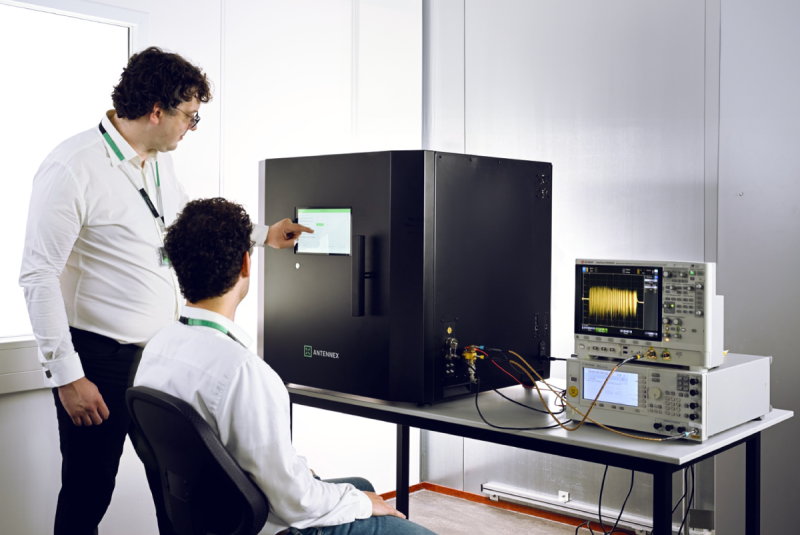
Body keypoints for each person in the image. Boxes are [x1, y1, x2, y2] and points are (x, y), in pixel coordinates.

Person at [19, 46, 310, 535]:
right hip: (99, 361)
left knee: (178, 492)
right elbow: (38, 275)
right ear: (157, 111)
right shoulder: (72, 167)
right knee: (88, 490)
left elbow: (182, 224)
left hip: (160, 357)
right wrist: (68, 376)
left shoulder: (156, 160)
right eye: (190, 116)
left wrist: (262, 235)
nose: (191, 127)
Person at [135, 198, 435, 535]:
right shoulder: (242, 371)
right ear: (246, 264)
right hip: (265, 524)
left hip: (211, 515)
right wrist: (359, 503)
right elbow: (296, 503)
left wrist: (326, 486)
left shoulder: (158, 346)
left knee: (360, 485)